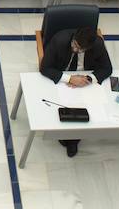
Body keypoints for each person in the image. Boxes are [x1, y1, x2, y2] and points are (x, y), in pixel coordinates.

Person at [38, 26, 112, 156]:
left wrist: (88, 79)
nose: (75, 49)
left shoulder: (98, 44)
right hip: (62, 78)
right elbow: (45, 68)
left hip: (84, 82)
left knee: (89, 109)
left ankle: (73, 139)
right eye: (75, 45)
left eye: (80, 49)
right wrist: (70, 79)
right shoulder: (59, 40)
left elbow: (107, 68)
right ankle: (70, 138)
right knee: (62, 106)